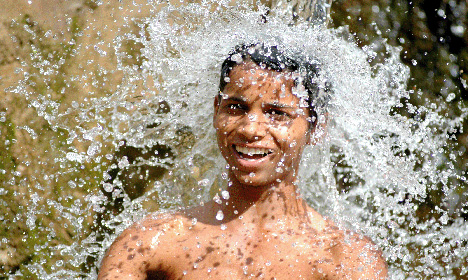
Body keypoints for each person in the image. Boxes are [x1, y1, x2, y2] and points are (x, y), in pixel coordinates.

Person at [97, 44, 388, 279]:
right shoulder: (152, 243)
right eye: (236, 108)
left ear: (317, 127)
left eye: (277, 114)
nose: (250, 129)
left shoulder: (345, 259)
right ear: (216, 110)